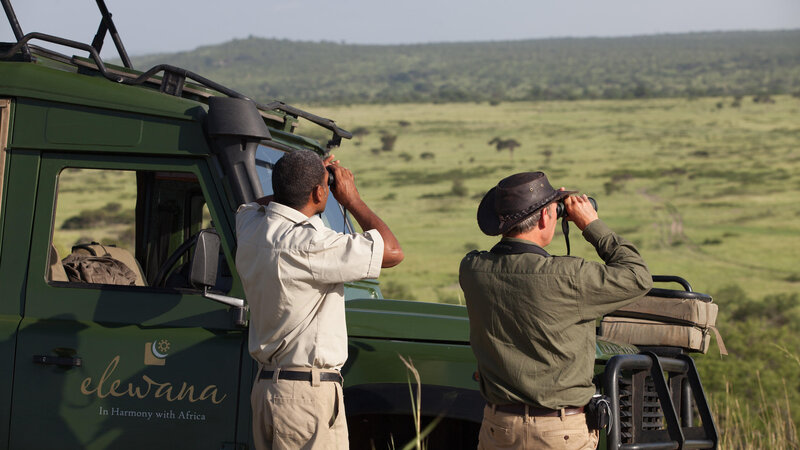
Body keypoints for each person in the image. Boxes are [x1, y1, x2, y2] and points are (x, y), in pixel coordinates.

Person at [459, 171, 652, 450]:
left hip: (498, 428)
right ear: (544, 218)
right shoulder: (568, 276)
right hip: (560, 432)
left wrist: (549, 206)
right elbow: (637, 276)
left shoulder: (472, 268)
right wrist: (591, 225)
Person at [235, 149, 403, 450]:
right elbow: (392, 252)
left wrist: (303, 180)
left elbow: (252, 205)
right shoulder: (309, 244)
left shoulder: (251, 227)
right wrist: (351, 199)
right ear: (318, 191)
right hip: (304, 395)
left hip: (268, 389)